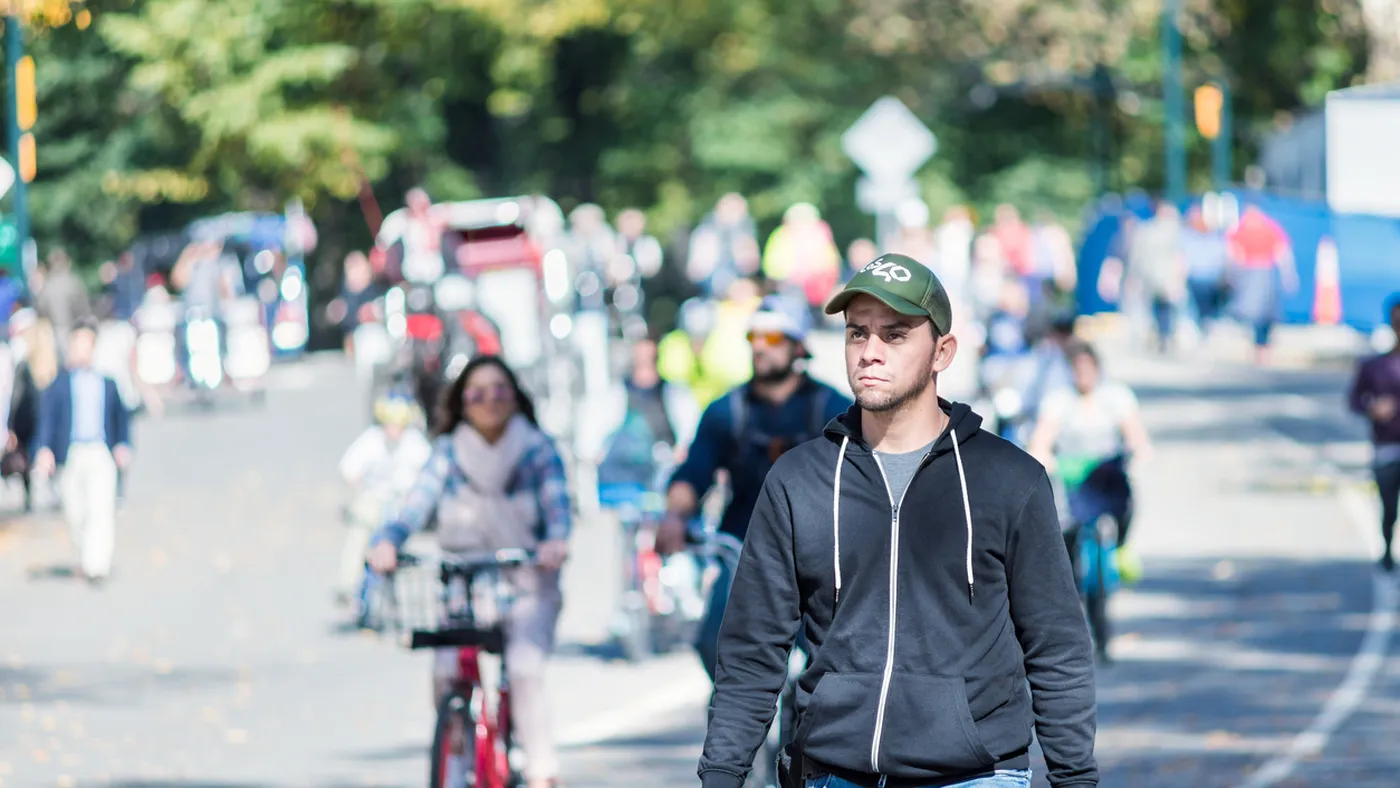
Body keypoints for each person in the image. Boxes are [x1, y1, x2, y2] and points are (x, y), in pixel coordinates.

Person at [699, 252, 1097, 788]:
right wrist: (722, 775)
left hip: (975, 773)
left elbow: (1057, 646)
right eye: (857, 334)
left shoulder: (1008, 479)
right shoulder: (799, 480)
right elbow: (752, 648)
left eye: (895, 335)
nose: (870, 352)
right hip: (832, 772)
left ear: (942, 352)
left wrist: (1075, 778)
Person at [366, 356, 571, 788]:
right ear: (462, 401)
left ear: (515, 397)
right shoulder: (448, 452)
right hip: (466, 584)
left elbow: (557, 508)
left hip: (528, 582)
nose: (489, 402)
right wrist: (389, 540)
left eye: (500, 390)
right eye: (477, 393)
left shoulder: (536, 448)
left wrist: (555, 541)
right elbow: (415, 505)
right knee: (445, 671)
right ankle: (457, 760)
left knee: (524, 669)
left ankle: (540, 771)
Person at [656, 294, 852, 682]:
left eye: (774, 338)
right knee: (714, 639)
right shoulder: (726, 411)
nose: (761, 347)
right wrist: (675, 516)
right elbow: (694, 472)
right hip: (745, 550)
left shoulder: (834, 408)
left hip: (822, 555)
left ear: (798, 346)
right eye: (754, 338)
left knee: (840, 654)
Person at [1026, 341, 1153, 554]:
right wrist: (1044, 458)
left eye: (1088, 369)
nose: (1083, 375)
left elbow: (1136, 436)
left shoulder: (1116, 396)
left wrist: (1138, 455)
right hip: (1071, 475)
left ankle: (1120, 549)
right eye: (1078, 370)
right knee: (1061, 521)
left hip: (1107, 471)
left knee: (1127, 505)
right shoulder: (1059, 400)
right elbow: (1041, 440)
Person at [34, 319, 133, 585]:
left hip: (100, 452)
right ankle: (87, 553)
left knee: (101, 508)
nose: (81, 350)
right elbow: (47, 421)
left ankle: (96, 566)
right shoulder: (59, 385)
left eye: (85, 345)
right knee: (75, 512)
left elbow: (121, 420)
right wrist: (44, 451)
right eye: (76, 345)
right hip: (71, 454)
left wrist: (123, 445)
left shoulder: (108, 383)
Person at [336, 390, 432, 617]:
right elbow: (349, 469)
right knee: (359, 537)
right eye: (390, 424)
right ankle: (349, 588)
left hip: (401, 502)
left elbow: (428, 471)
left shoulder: (414, 443)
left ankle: (399, 600)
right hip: (374, 498)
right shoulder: (371, 440)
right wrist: (361, 485)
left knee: (403, 545)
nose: (394, 430)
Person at [1347, 296, 1400, 572]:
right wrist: (1372, 408)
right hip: (1386, 446)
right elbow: (1355, 400)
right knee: (1388, 506)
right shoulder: (1374, 366)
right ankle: (1387, 548)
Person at [1226, 204, 1297, 364]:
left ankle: (1258, 347)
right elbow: (1283, 253)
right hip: (1263, 272)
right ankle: (1261, 347)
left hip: (1252, 272)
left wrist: (1232, 275)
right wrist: (1289, 276)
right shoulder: (1269, 227)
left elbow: (1234, 254)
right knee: (1262, 313)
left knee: (1255, 313)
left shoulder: (1242, 228)